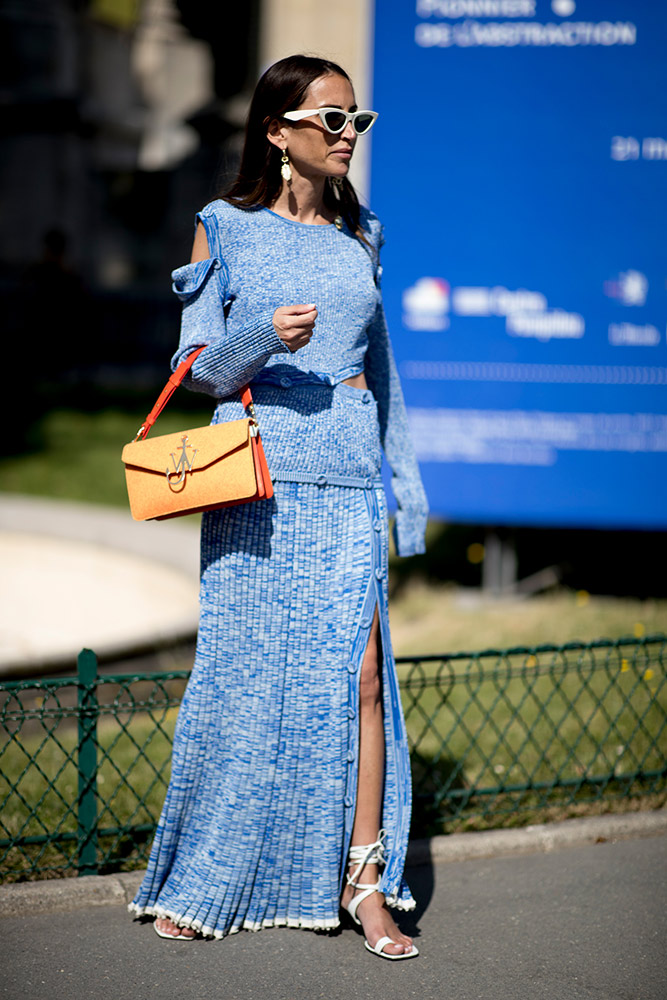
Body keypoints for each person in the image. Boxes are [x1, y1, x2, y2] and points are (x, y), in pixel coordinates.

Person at [129, 54, 427, 961]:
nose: (347, 137)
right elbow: (195, 372)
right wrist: (263, 335)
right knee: (244, 677)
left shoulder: (361, 237)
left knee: (365, 680)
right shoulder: (222, 227)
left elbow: (381, 380)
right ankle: (210, 871)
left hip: (344, 485)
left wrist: (403, 495)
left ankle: (365, 884)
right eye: (331, 120)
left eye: (355, 121)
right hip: (254, 479)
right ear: (277, 132)